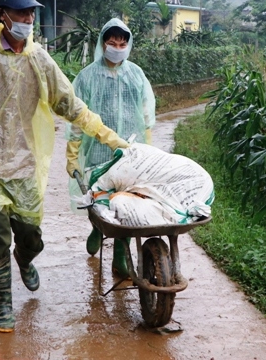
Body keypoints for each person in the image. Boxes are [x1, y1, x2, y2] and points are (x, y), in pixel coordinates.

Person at [0, 0, 128, 333]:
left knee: (30, 235)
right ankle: (4, 305)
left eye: (32, 13)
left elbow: (71, 105)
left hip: (22, 164)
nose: (29, 19)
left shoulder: (39, 60)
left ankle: (26, 258)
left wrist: (109, 136)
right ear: (2, 15)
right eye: (21, 13)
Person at [65, 18, 156, 278]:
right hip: (97, 151)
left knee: (126, 204)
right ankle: (97, 227)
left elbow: (147, 113)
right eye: (112, 42)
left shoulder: (136, 74)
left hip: (129, 149)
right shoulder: (87, 77)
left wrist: (146, 147)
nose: (117, 46)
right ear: (103, 43)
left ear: (128, 44)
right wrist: (72, 154)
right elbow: (75, 118)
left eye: (122, 42)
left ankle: (119, 257)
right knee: (100, 199)